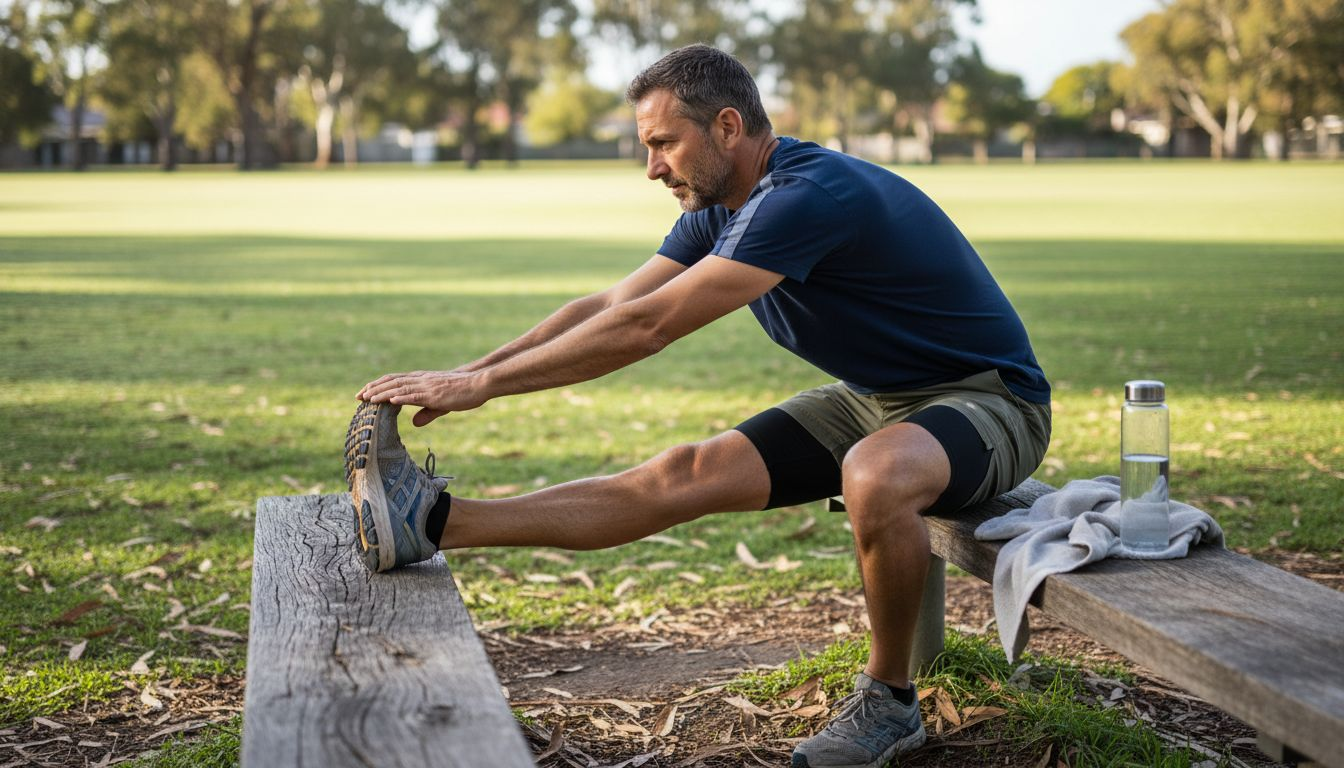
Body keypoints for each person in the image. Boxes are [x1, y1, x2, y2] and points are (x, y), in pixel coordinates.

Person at [348, 44, 1051, 768]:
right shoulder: (721, 207)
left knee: (874, 473)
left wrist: (481, 389)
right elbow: (612, 303)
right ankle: (431, 523)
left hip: (991, 401)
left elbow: (646, 329)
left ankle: (888, 702)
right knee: (682, 472)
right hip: (880, 400)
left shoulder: (805, 196)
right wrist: (466, 373)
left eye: (661, 143)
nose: (651, 167)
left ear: (725, 127)